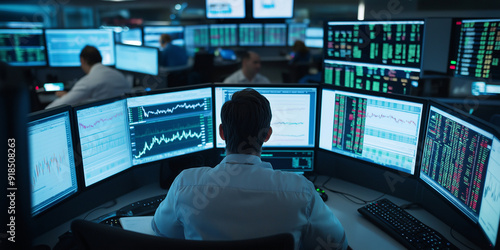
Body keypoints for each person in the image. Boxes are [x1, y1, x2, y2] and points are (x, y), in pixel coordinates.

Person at [153, 89, 348, 250]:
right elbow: (337, 244)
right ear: (267, 135)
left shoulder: (185, 185)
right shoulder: (300, 191)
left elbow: (161, 231)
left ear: (221, 132)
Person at [45, 45, 131, 109]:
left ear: (82, 60)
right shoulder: (119, 75)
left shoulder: (89, 81)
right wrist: (69, 96)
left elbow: (54, 107)